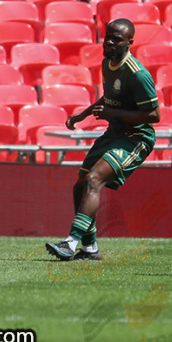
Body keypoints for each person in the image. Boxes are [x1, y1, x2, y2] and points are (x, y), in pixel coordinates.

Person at [45, 18, 160, 261]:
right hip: (115, 133)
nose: (108, 42)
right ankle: (90, 248)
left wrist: (113, 114)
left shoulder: (138, 74)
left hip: (136, 137)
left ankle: (70, 242)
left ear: (130, 42)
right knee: (80, 185)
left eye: (116, 39)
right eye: (107, 36)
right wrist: (83, 115)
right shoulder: (108, 63)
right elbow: (110, 99)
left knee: (94, 179)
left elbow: (154, 115)